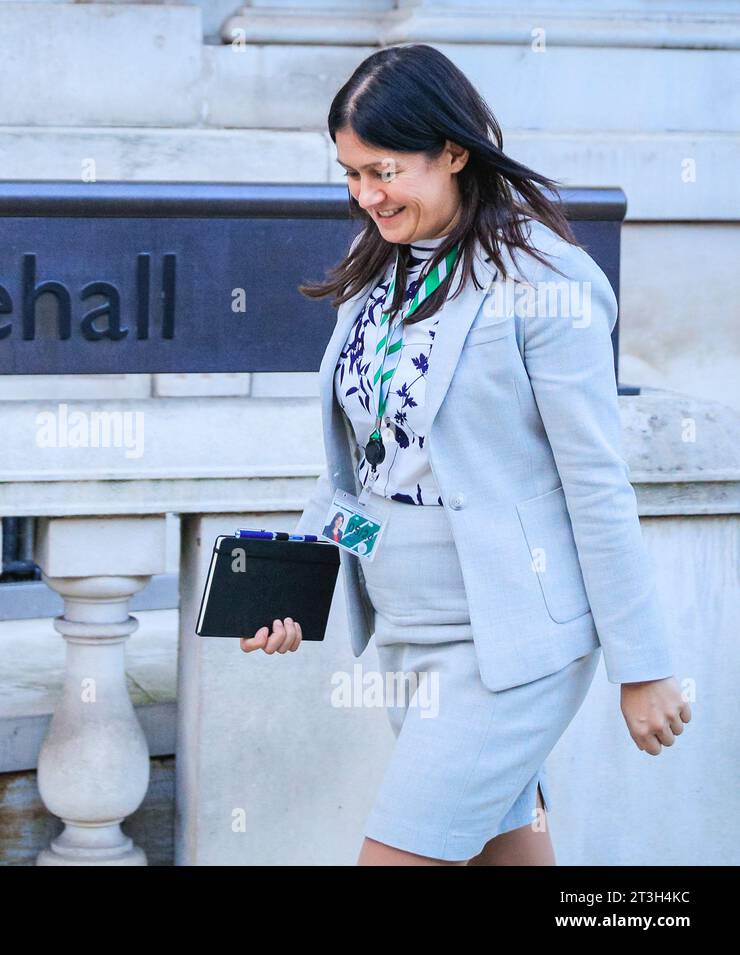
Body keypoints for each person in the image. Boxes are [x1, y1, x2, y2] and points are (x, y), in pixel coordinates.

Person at [240, 44, 691, 866]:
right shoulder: (377, 275)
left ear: (453, 151)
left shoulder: (549, 281)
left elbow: (595, 483)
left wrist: (644, 665)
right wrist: (296, 582)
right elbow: (366, 469)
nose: (366, 196)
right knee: (503, 850)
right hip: (408, 629)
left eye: (384, 170)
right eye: (349, 174)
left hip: (509, 643)